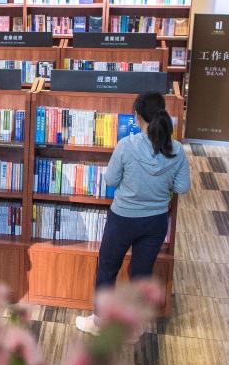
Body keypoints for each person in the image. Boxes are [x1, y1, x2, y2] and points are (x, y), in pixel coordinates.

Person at [76, 91, 190, 335]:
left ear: (136, 115)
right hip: (156, 221)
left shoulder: (126, 146)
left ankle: (99, 322)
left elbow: (110, 179)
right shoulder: (177, 150)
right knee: (141, 275)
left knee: (107, 268)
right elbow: (182, 187)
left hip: (123, 219)